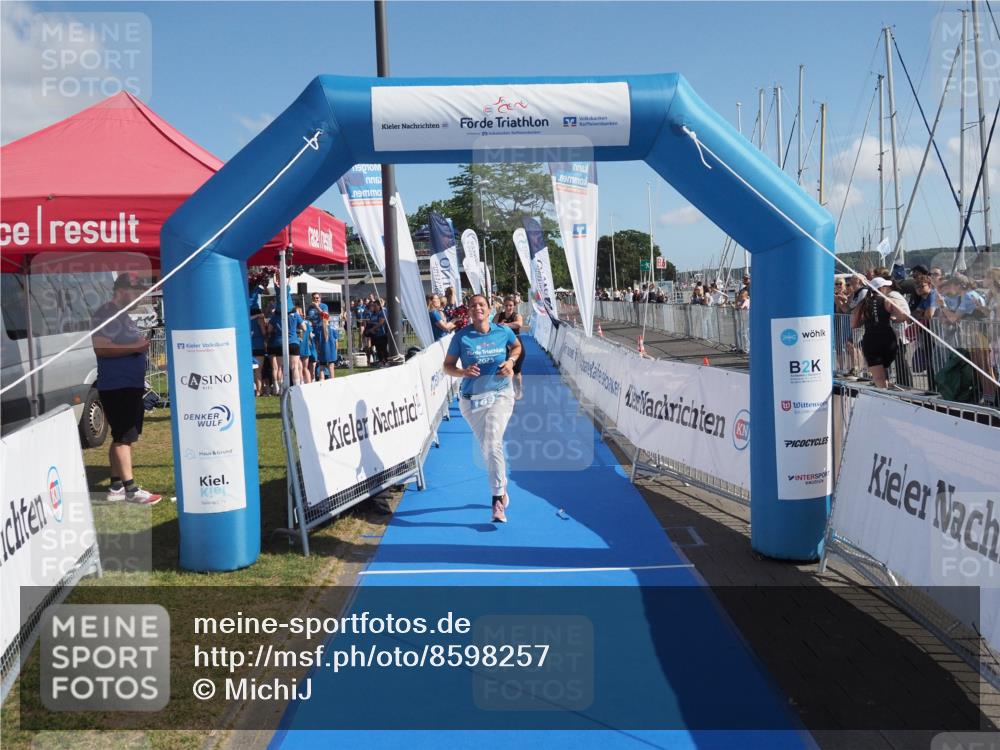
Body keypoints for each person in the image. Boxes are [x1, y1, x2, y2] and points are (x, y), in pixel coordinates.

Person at [443, 294, 522, 524]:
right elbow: (447, 366)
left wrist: (510, 362)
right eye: (473, 305)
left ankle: (497, 499)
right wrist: (463, 372)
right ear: (468, 311)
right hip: (471, 400)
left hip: (500, 394)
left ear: (489, 309)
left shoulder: (502, 331)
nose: (477, 308)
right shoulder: (461, 337)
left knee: (492, 443)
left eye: (481, 305)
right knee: (488, 448)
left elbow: (516, 347)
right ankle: (503, 487)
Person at [90, 274, 161, 505]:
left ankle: (116, 485)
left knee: (120, 436)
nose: (139, 295)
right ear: (121, 290)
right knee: (123, 437)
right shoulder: (106, 313)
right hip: (118, 385)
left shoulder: (120, 315)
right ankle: (131, 489)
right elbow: (101, 349)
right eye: (135, 290)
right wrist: (136, 346)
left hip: (127, 384)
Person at [851, 276, 908, 389]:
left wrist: (867, 320)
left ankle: (884, 396)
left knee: (878, 378)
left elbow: (854, 324)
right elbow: (903, 316)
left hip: (871, 340)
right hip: (888, 339)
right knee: (884, 370)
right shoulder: (888, 301)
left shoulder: (863, 304)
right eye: (886, 286)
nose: (888, 288)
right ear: (881, 289)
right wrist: (893, 318)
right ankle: (886, 388)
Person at [494, 296, 526, 399]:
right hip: (502, 345)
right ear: (504, 305)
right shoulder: (498, 315)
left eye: (511, 305)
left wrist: (505, 325)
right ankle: (505, 391)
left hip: (516, 345)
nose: (508, 307)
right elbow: (492, 326)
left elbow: (519, 324)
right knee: (502, 370)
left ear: (514, 306)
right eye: (506, 305)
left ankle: (519, 390)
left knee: (517, 371)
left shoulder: (517, 315)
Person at [250, 306, 268, 396]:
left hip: (249, 346)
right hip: (258, 345)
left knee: (250, 370)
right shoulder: (259, 319)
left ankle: (253, 389)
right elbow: (264, 332)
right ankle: (258, 390)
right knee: (258, 371)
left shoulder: (246, 320)